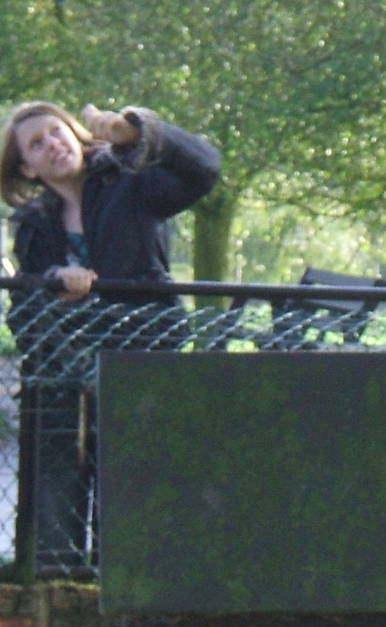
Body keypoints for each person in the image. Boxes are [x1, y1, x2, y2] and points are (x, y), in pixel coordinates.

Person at [2, 102, 220, 577]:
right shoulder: (35, 226)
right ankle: (56, 595)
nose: (52, 145)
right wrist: (55, 282)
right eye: (36, 144)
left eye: (56, 133)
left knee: (133, 491)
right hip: (64, 380)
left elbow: (204, 168)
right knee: (56, 498)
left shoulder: (131, 182)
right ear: (26, 167)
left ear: (76, 134)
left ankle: (130, 593)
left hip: (141, 363)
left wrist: (140, 126)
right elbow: (24, 308)